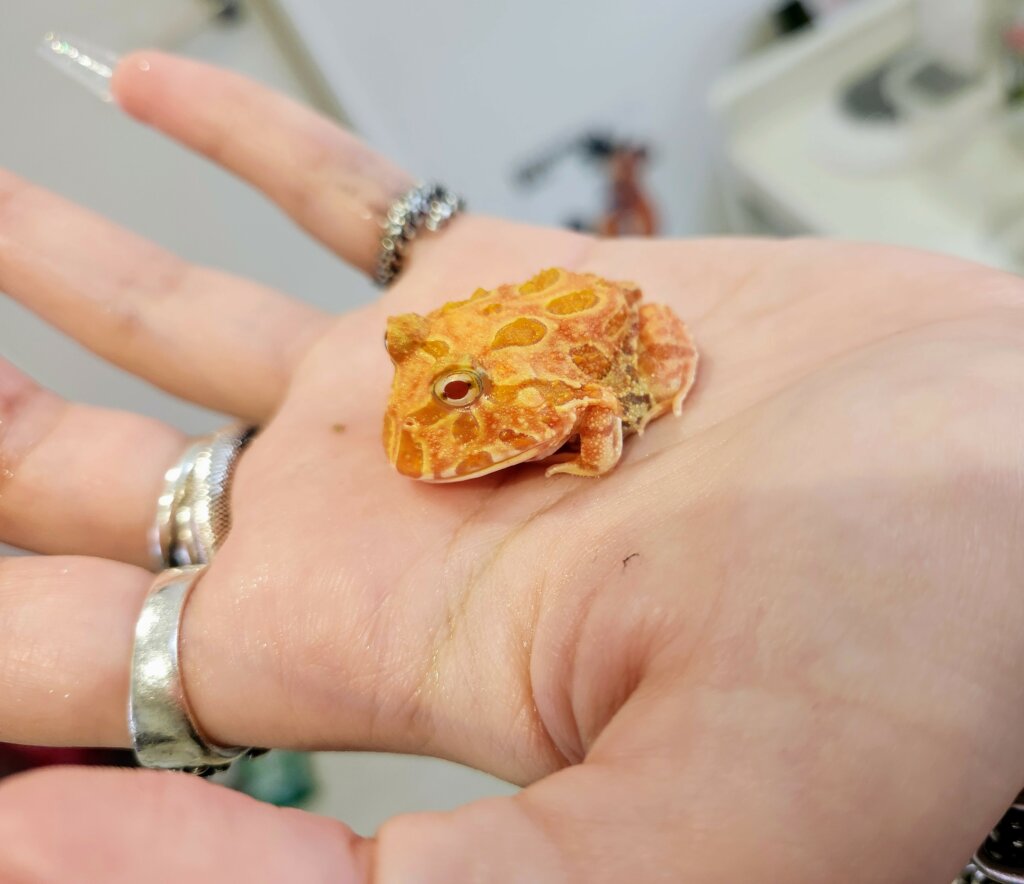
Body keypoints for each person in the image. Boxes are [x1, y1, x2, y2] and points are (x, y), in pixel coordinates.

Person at [0, 51, 1021, 883]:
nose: (414, 413)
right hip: (515, 324)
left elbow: (593, 414)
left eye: (446, 396)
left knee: (621, 380)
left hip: (601, 329)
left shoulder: (539, 401)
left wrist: (605, 427)